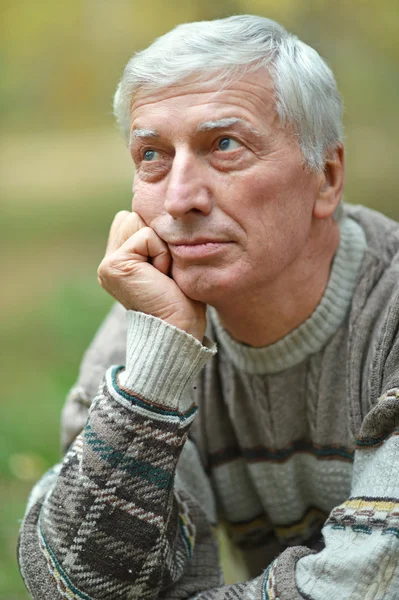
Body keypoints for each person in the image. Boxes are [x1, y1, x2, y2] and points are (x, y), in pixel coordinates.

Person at [18, 14, 399, 600]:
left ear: (325, 177)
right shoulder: (148, 327)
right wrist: (157, 369)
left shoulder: (389, 314)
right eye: (152, 154)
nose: (179, 198)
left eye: (224, 144)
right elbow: (76, 584)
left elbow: (370, 583)